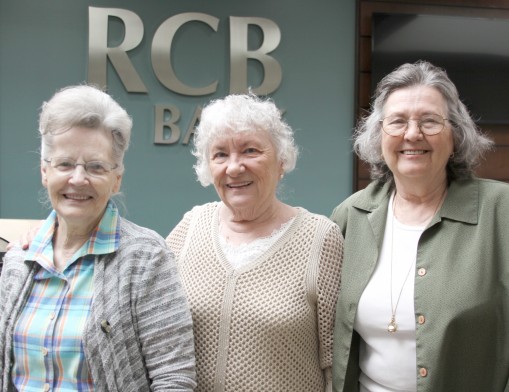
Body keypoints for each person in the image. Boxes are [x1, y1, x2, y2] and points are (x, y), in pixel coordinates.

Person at [0, 85, 196, 391]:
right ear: (44, 171)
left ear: (116, 178)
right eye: (64, 164)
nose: (78, 179)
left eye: (95, 166)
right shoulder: (18, 261)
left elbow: (174, 378)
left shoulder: (146, 258)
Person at [331, 60, 509, 391]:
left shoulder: (501, 211)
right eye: (397, 122)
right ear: (379, 137)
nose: (412, 134)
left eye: (429, 121)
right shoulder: (350, 215)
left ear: (455, 135)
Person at [165, 93, 343, 391]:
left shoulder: (319, 238)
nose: (234, 167)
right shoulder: (188, 229)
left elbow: (337, 361)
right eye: (220, 154)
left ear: (281, 159)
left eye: (250, 150)